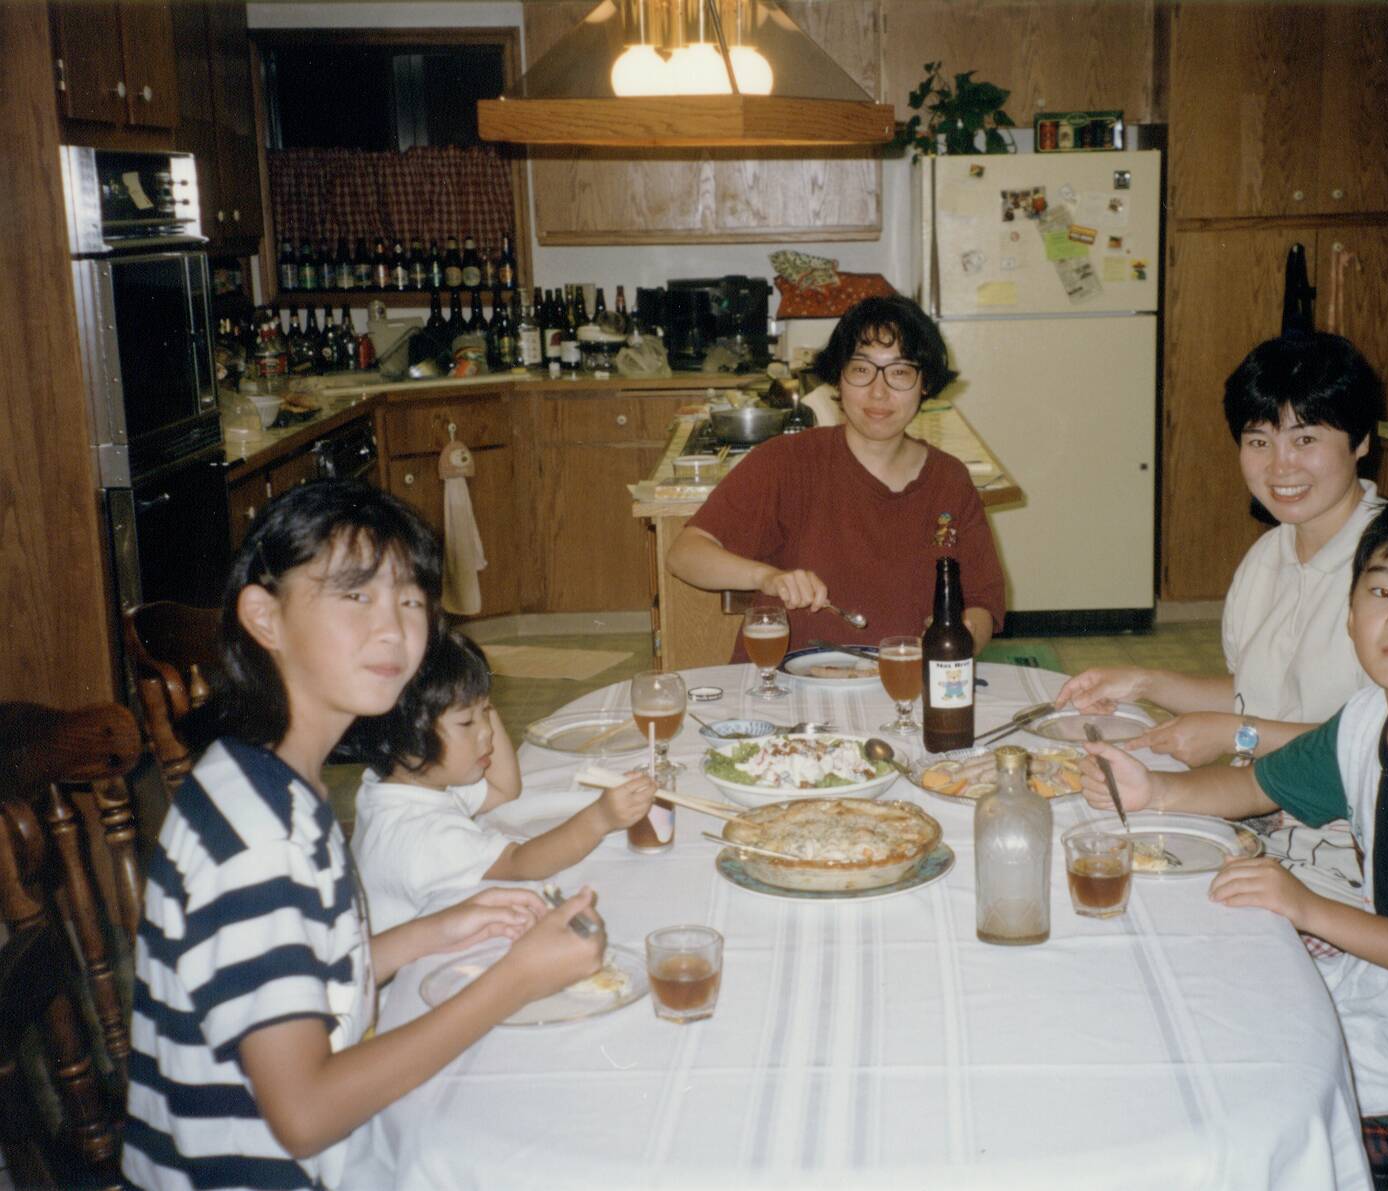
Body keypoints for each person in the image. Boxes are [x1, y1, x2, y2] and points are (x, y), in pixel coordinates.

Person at [124, 480, 606, 1189]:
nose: (393, 630)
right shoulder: (258, 837)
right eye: (354, 595)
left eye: (410, 600)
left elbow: (302, 975)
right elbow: (306, 1112)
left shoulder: (266, 774)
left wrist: (433, 932)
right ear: (264, 616)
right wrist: (516, 980)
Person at [1080, 493, 1388, 1116]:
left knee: (1226, 1077)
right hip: (1385, 978)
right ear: (1350, 613)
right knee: (1190, 998)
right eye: (1383, 592)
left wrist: (1308, 909)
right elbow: (1257, 786)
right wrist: (1156, 791)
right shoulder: (1368, 716)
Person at [1055, 332, 1385, 902]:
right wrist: (1144, 681)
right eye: (1259, 441)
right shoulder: (1269, 555)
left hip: (1351, 857)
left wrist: (1239, 734)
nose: (1280, 465)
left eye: (1305, 439)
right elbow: (1257, 691)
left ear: (1360, 442)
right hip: (1263, 819)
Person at [666, 295, 1006, 659]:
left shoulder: (949, 480)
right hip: (784, 682)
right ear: (838, 378)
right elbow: (685, 554)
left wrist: (958, 638)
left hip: (900, 681)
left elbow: (981, 604)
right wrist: (766, 577)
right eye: (861, 370)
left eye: (900, 372)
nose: (879, 392)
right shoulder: (787, 462)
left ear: (925, 383)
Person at [349, 630, 657, 931]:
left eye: (486, 711)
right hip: (413, 963)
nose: (487, 730)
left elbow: (503, 790)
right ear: (407, 736)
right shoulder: (422, 834)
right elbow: (520, 863)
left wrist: (474, 695)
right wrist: (600, 818)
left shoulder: (400, 782)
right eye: (467, 722)